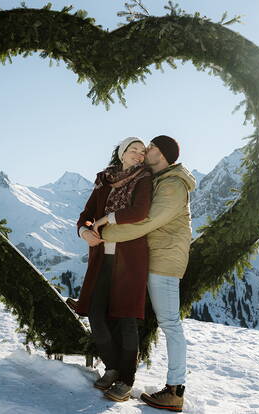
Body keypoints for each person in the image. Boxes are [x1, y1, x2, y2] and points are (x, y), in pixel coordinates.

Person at [100, 135, 196, 412]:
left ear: (162, 154)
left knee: (169, 323)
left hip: (164, 262)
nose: (146, 151)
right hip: (151, 257)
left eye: (151, 147)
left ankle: (175, 391)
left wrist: (106, 232)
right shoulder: (160, 180)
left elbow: (147, 221)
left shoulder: (173, 185)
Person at [73, 137, 153, 402]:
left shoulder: (144, 179)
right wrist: (85, 231)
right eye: (133, 150)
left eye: (142, 152)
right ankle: (112, 367)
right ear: (121, 153)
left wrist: (108, 218)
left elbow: (140, 211)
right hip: (102, 258)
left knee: (127, 319)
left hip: (130, 257)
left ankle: (126, 380)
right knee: (96, 314)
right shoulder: (104, 181)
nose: (138, 155)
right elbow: (86, 214)